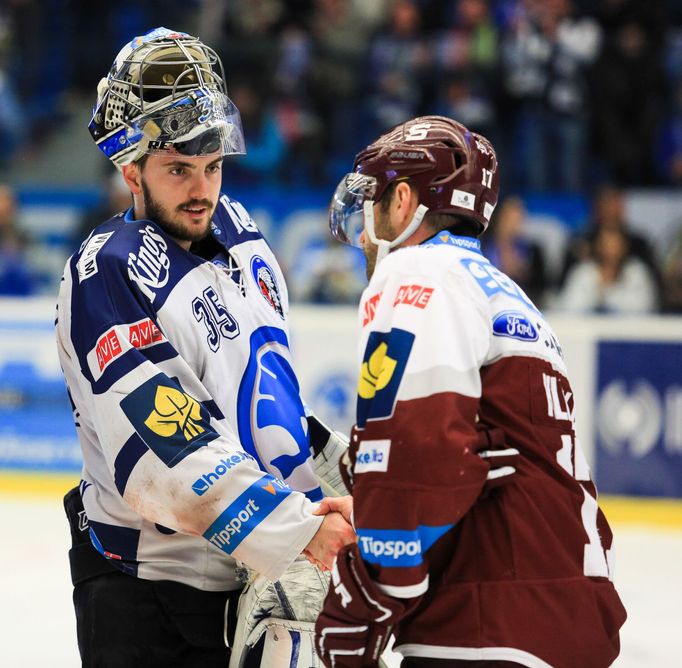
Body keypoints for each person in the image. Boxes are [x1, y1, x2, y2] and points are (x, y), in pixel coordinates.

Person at [55, 27, 356, 668]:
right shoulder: (109, 271)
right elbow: (168, 448)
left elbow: (255, 397)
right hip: (145, 597)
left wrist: (333, 471)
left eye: (212, 165)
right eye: (178, 169)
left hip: (244, 578)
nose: (202, 188)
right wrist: (299, 531)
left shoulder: (242, 236)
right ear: (130, 169)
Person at [314, 115, 627, 667]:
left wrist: (366, 597)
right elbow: (469, 462)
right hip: (562, 614)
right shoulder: (508, 297)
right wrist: (378, 504)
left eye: (372, 208)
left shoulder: (418, 271)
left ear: (404, 202)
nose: (363, 234)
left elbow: (415, 449)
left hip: (489, 627)